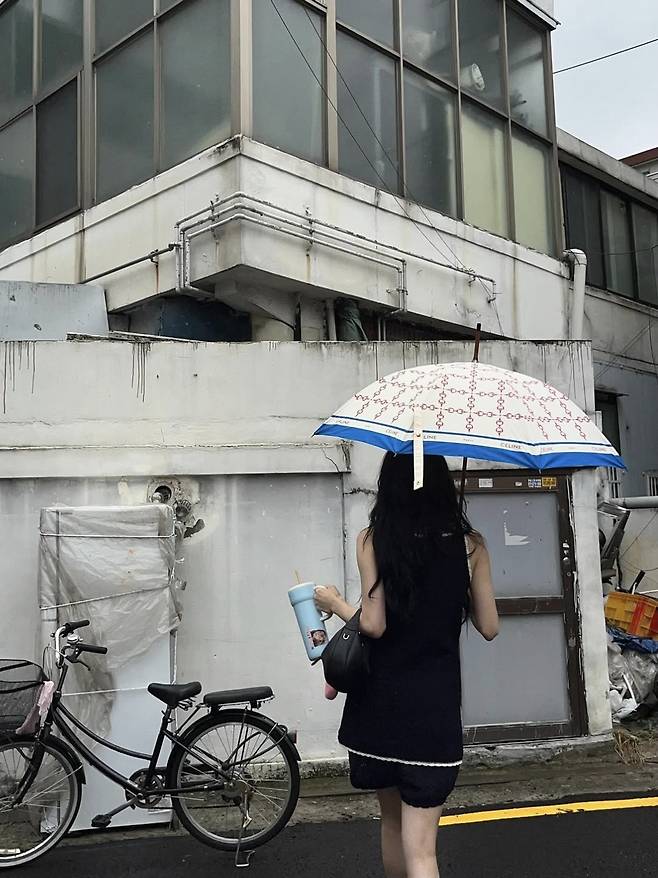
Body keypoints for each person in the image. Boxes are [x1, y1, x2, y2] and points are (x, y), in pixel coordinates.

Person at [314, 453, 498, 878]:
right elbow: (489, 626)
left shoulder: (372, 540)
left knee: (392, 825)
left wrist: (335, 603)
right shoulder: (471, 545)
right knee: (423, 853)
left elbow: (373, 624)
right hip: (434, 714)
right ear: (443, 486)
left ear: (390, 487)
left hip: (378, 709)